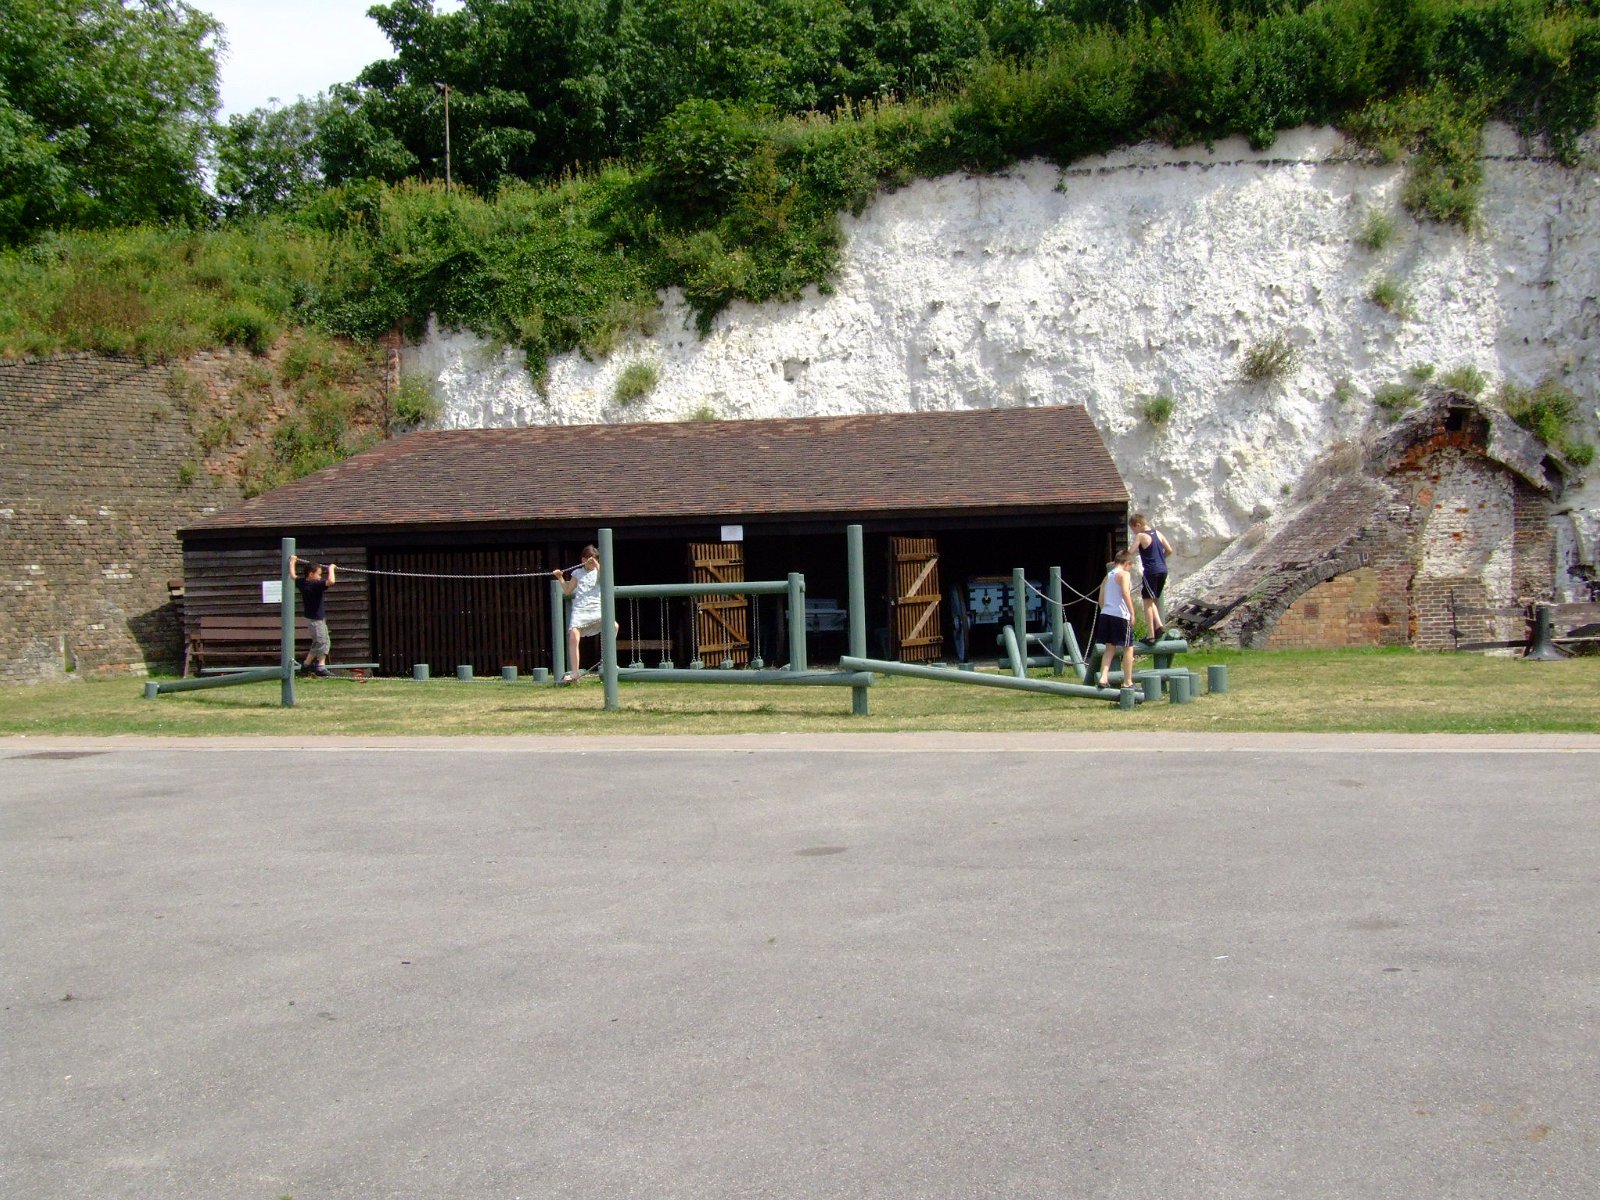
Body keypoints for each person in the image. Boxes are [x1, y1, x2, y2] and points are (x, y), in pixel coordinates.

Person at [556, 544, 617, 683]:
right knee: (573, 636)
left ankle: (607, 662)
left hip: (596, 609)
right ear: (583, 559)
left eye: (595, 559)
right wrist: (560, 577)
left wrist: (597, 565)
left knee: (614, 626)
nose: (592, 562)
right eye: (589, 559)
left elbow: (605, 579)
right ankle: (575, 674)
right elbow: (567, 590)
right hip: (580, 610)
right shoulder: (577, 573)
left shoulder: (599, 571)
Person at [1094, 549, 1137, 691]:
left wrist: (1105, 609)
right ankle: (1127, 681)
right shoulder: (1124, 574)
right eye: (1130, 565)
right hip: (1120, 615)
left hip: (1106, 613)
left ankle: (1103, 677)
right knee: (1128, 647)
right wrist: (1132, 613)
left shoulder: (1108, 576)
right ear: (1127, 563)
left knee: (1109, 648)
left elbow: (1101, 598)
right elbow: (1125, 592)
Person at [1130, 513, 1175, 642]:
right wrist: (1160, 559)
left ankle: (1150, 636)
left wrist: (1119, 559)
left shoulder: (1141, 536)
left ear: (1138, 525)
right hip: (1163, 570)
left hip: (1151, 571)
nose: (1134, 532)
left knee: (1146, 602)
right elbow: (1169, 550)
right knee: (1152, 600)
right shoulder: (1158, 533)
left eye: (1133, 529)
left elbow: (1130, 552)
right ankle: (1159, 626)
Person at [290, 554, 336, 677]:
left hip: (316, 619)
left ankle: (310, 665)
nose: (320, 577)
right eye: (319, 574)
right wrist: (331, 568)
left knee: (324, 642)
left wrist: (292, 561)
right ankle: (317, 666)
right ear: (311, 574)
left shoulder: (302, 583)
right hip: (316, 620)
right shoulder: (315, 585)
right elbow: (331, 581)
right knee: (321, 642)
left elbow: (293, 575)